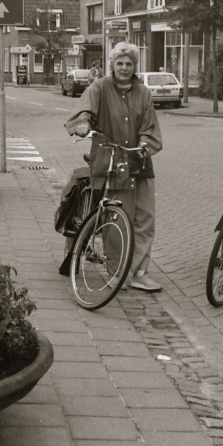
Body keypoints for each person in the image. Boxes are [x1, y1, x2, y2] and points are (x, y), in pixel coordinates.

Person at [65, 43, 163, 292]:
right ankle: (116, 273)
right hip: (110, 162)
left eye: (129, 63)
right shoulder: (100, 87)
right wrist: (83, 123)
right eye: (119, 63)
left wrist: (145, 144)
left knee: (144, 219)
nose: (124, 68)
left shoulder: (144, 93)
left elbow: (150, 127)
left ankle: (140, 272)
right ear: (112, 65)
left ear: (135, 66)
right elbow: (83, 109)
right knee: (117, 220)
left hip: (139, 162)